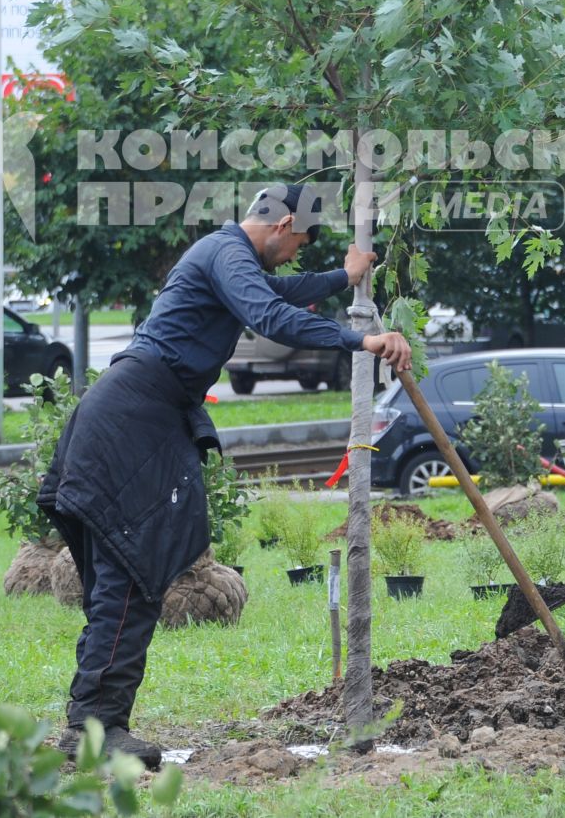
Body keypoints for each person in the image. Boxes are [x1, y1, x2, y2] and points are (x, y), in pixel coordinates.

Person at [39, 183, 413, 768]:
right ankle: (94, 731)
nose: (295, 256)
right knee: (131, 572)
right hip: (131, 419)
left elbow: (278, 291)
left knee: (135, 573)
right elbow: (269, 312)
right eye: (299, 243)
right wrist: (361, 340)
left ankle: (94, 725)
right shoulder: (226, 251)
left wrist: (343, 280)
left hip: (138, 414)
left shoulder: (228, 258)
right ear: (284, 221)